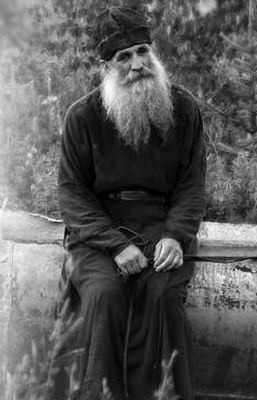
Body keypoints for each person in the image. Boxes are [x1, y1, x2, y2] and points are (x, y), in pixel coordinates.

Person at [58, 6, 206, 400]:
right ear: (105, 66)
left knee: (161, 299)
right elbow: (71, 195)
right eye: (124, 57)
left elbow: (192, 186)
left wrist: (176, 236)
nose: (137, 64)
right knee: (104, 296)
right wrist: (116, 245)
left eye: (142, 51)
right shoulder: (82, 117)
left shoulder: (185, 108)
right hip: (98, 234)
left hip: (162, 227)